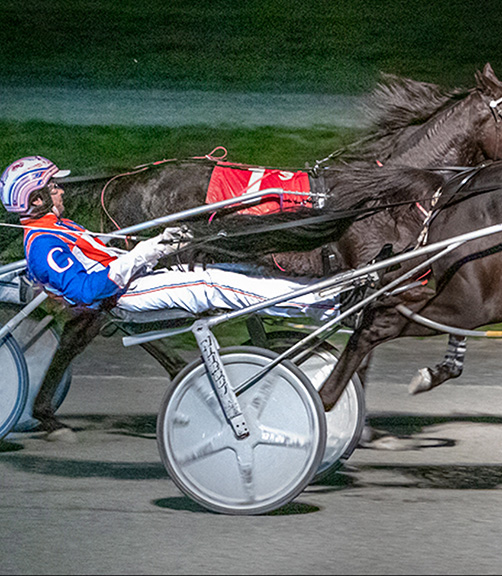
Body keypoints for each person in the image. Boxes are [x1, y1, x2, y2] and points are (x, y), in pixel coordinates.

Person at [2, 156, 341, 441]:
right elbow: (86, 292)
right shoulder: (43, 244)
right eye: (53, 187)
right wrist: (146, 252)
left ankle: (314, 295)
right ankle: (320, 302)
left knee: (225, 268)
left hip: (133, 280)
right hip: (124, 295)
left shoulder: (59, 226)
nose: (61, 190)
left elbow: (101, 254)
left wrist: (154, 251)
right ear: (36, 199)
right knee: (211, 285)